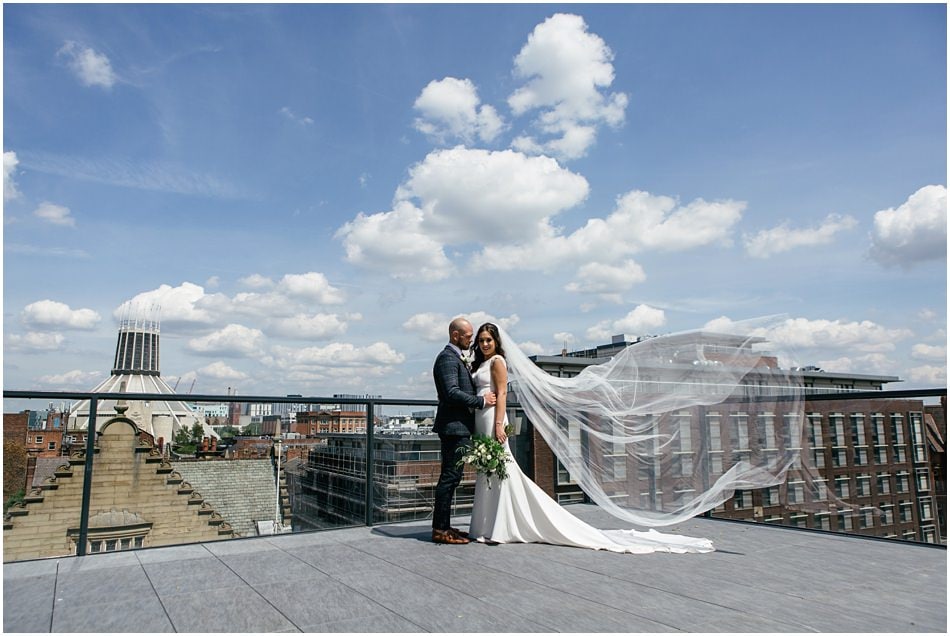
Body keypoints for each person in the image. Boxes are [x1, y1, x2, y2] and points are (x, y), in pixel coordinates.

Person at [467, 322, 715, 553]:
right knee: (488, 470)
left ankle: (502, 526)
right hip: (481, 418)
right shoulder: (479, 363)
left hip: (493, 418)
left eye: (488, 340)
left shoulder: (498, 361)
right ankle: (486, 525)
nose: (485, 344)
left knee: (502, 469)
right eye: (481, 340)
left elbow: (501, 394)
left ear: (497, 342)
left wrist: (499, 424)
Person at [431, 317, 496, 545]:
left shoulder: (454, 357)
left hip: (457, 427)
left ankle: (445, 526)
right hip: (453, 427)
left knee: (452, 477)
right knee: (449, 478)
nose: (471, 340)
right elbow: (451, 393)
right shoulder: (447, 359)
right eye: (468, 336)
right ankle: (440, 529)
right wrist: (481, 401)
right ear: (455, 335)